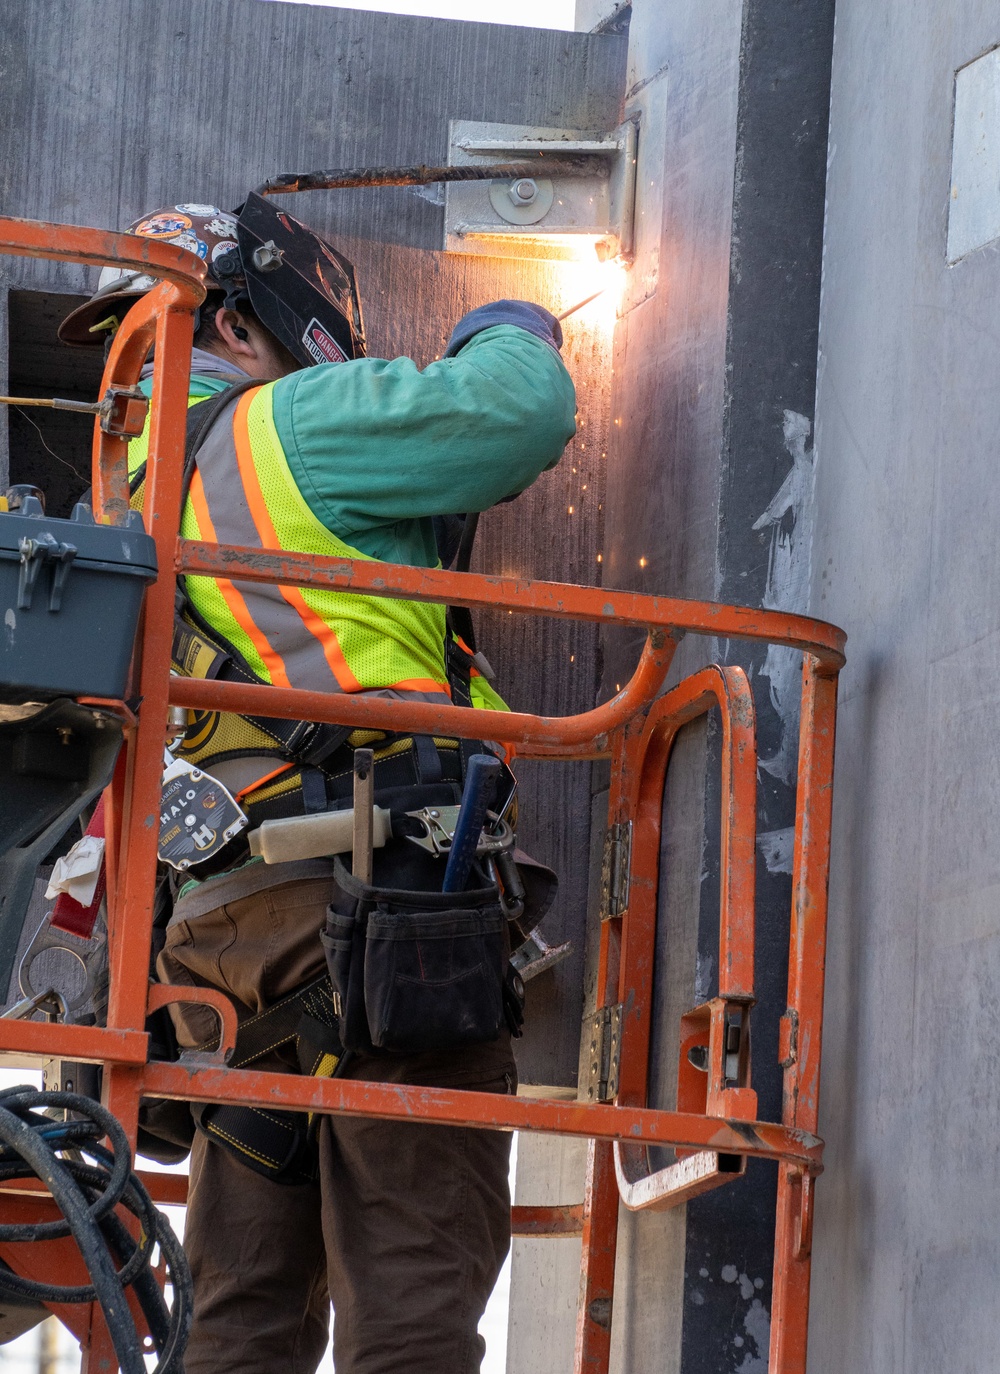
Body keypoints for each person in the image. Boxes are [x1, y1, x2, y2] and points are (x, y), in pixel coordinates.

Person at [59, 198, 576, 1374]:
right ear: (245, 323)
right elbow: (520, 407)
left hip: (218, 950)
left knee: (244, 1304)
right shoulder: (278, 424)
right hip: (386, 913)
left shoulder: (116, 510)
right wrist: (508, 318)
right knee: (411, 1294)